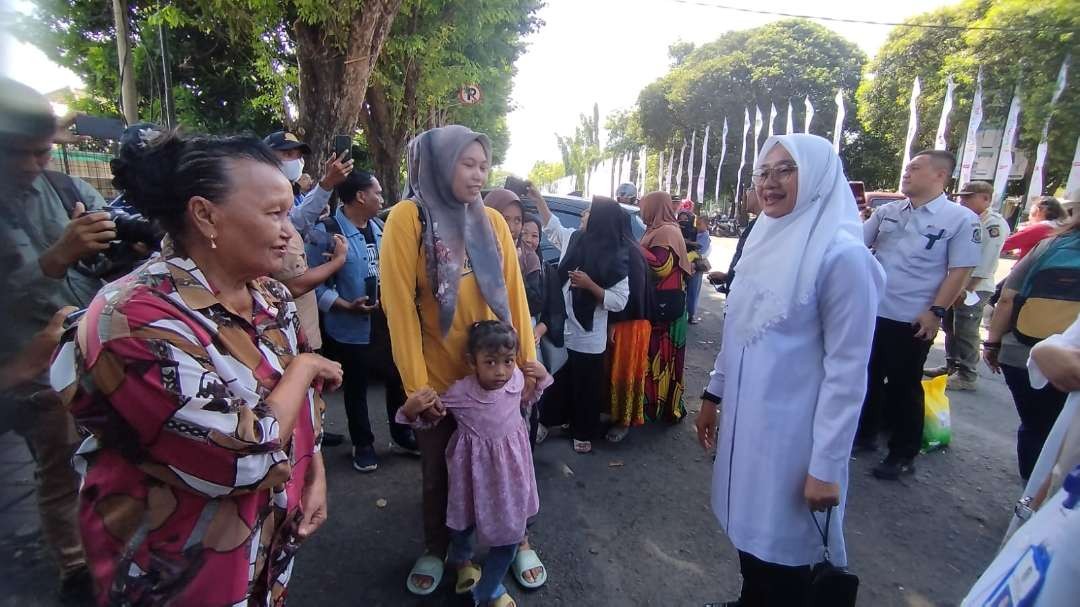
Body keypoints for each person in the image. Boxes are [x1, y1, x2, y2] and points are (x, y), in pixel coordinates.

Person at [49, 132, 342, 605]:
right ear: (205, 214)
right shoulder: (133, 318)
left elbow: (303, 412)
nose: (290, 230)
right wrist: (304, 367)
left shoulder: (270, 295)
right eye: (275, 213)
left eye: (289, 212)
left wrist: (313, 474)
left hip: (263, 552)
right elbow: (241, 458)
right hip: (175, 572)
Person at [694, 133, 884, 607]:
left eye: (786, 169)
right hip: (746, 429)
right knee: (749, 538)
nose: (770, 182)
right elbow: (739, 328)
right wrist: (713, 395)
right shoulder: (764, 237)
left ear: (818, 175)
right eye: (763, 172)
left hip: (795, 444)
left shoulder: (843, 257)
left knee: (787, 556)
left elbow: (848, 372)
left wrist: (826, 467)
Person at [378, 125, 541, 596]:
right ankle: (438, 548)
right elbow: (399, 309)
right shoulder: (407, 220)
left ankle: (518, 540)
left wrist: (527, 364)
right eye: (465, 165)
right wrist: (416, 388)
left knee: (510, 466)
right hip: (441, 382)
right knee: (441, 475)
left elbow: (514, 297)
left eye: (482, 166)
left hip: (497, 377)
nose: (477, 175)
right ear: (437, 164)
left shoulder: (489, 221)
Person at [0, 77, 101, 602]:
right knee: (60, 468)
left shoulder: (66, 190)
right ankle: (74, 567)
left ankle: (107, 549)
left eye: (43, 152)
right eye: (20, 152)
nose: (33, 164)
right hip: (30, 369)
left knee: (109, 458)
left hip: (89, 348)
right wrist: (55, 258)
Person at [396, 321, 553, 607]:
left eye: (507, 361)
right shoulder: (460, 393)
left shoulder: (516, 379)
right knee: (463, 522)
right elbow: (431, 419)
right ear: (472, 362)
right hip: (473, 475)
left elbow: (529, 398)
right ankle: (462, 559)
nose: (501, 371)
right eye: (490, 362)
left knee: (509, 532)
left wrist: (541, 378)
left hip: (511, 473)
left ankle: (489, 589)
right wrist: (409, 411)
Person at [857, 150, 981, 481]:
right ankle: (864, 434)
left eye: (915, 168)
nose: (907, 173)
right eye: (907, 168)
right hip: (873, 311)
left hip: (913, 317)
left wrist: (936, 311)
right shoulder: (887, 211)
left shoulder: (960, 219)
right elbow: (855, 244)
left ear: (940, 175)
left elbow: (960, 270)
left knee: (903, 385)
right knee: (865, 375)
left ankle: (902, 453)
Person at [306, 170, 419, 472]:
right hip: (348, 326)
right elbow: (312, 284)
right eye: (378, 193)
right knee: (355, 386)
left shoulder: (381, 228)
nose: (382, 199)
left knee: (396, 379)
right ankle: (363, 443)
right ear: (360, 196)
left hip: (385, 324)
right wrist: (344, 305)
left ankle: (402, 431)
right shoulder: (326, 232)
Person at [984, 215, 1079, 480]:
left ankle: (1029, 496)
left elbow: (1007, 298)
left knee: (1035, 428)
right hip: (1073, 361)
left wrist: (992, 343)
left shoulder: (1049, 246)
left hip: (1024, 353)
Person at [537, 196, 631, 453]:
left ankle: (582, 430)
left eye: (589, 211)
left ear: (600, 220)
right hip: (562, 329)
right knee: (556, 380)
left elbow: (620, 300)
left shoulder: (616, 255)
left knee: (585, 386)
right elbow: (552, 227)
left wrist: (591, 286)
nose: (583, 215)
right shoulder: (575, 239)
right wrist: (536, 198)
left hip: (589, 335)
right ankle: (546, 422)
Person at [925, 180, 1009, 391]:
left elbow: (985, 261)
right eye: (962, 197)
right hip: (957, 285)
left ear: (986, 199)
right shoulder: (968, 220)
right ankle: (951, 365)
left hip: (975, 287)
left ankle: (967, 374)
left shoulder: (993, 225)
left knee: (966, 330)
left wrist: (966, 289)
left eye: (968, 197)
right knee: (950, 327)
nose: (963, 201)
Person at [639, 191, 693, 424]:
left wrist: (633, 247)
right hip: (662, 306)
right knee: (656, 359)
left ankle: (662, 409)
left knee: (662, 359)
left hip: (667, 311)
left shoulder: (667, 232)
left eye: (645, 206)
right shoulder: (656, 230)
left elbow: (661, 267)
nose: (642, 210)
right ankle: (657, 407)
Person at [604, 210, 653, 443]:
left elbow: (632, 295)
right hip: (628, 323)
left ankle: (624, 420)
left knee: (625, 372)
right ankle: (615, 415)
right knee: (616, 371)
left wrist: (615, 322)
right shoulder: (626, 247)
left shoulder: (630, 252)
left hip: (631, 324)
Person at [708, 189, 760, 295]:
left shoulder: (762, 227)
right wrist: (728, 276)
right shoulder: (755, 224)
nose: (745, 194)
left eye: (750, 189)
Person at [1002, 196, 1067, 259]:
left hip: (1028, 268)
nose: (1029, 217)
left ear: (1037, 211)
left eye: (1030, 213)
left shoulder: (1038, 229)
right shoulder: (1063, 229)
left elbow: (1002, 244)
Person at [687, 214, 712, 324]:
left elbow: (700, 252)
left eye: (699, 224)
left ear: (706, 225)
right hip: (690, 265)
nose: (697, 226)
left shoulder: (705, 236)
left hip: (696, 267)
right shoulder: (696, 233)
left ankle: (691, 315)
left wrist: (688, 258)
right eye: (696, 223)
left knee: (693, 291)